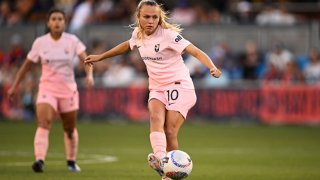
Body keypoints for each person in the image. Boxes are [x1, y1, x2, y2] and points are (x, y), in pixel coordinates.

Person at [84, 0, 221, 179]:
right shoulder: (138, 35)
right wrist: (101, 56)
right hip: (157, 87)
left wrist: (212, 67)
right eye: (146, 17)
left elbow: (194, 51)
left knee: (170, 130)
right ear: (139, 17)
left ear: (159, 18)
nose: (150, 20)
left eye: (154, 17)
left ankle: (170, 170)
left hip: (179, 85)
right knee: (155, 118)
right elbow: (126, 46)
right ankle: (162, 162)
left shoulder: (169, 35)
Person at [7, 9, 94, 173]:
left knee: (69, 128)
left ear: (64, 22)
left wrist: (89, 76)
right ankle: (39, 160)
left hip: (68, 90)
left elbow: (87, 60)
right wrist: (14, 85)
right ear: (48, 22)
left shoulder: (72, 41)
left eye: (60, 19)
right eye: (53, 19)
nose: (57, 22)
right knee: (44, 123)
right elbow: (26, 65)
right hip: (47, 88)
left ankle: (71, 161)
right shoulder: (40, 42)